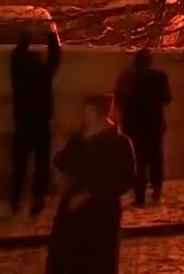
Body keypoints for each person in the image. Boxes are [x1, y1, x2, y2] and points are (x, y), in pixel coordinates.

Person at [45, 94, 136, 274]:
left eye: (88, 111)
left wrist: (90, 194)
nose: (85, 116)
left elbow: (125, 179)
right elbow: (64, 162)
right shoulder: (80, 139)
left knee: (97, 263)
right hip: (73, 215)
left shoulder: (119, 143)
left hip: (101, 215)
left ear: (98, 114)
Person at [10, 27, 62, 215]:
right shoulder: (44, 75)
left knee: (19, 167)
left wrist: (25, 39)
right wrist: (52, 37)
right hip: (41, 127)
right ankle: (38, 200)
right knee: (41, 166)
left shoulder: (19, 77)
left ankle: (15, 200)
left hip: (22, 126)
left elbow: (15, 57)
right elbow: (55, 58)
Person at [114, 48, 172, 205]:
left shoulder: (127, 78)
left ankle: (139, 195)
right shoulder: (158, 77)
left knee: (137, 160)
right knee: (155, 158)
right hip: (153, 124)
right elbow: (167, 98)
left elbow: (119, 99)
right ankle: (157, 190)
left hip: (133, 124)